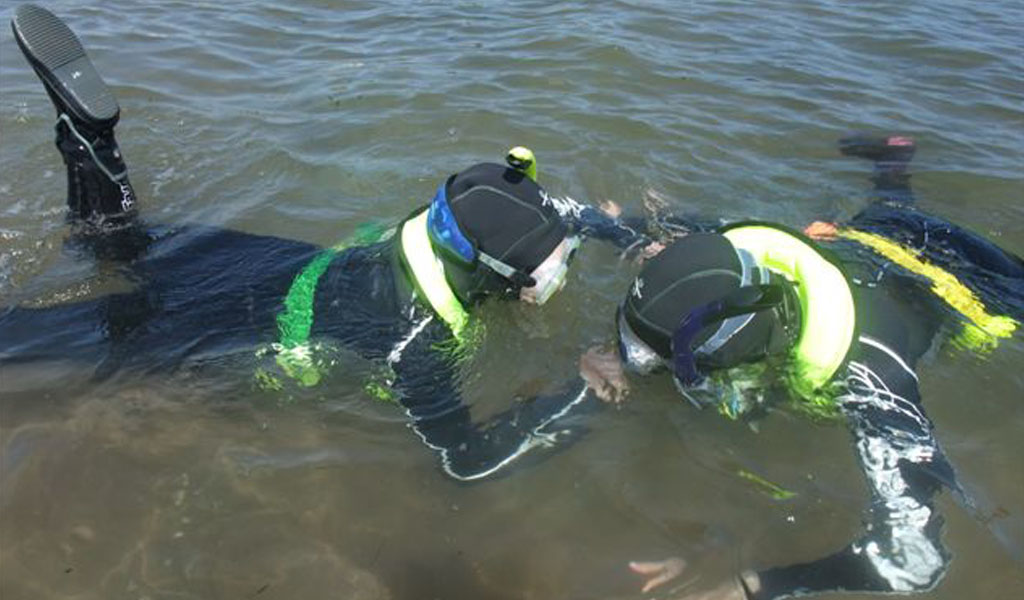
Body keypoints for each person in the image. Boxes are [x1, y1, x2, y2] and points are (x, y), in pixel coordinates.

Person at [1, 4, 651, 482]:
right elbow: (466, 461)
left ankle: (91, 143)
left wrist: (630, 236)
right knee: (41, 338)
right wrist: (578, 388)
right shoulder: (419, 343)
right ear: (499, 274)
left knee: (124, 245)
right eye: (552, 270)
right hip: (217, 324)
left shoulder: (448, 216)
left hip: (271, 264)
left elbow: (547, 210)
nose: (556, 277)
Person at [580, 135, 1023, 598]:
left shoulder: (872, 381)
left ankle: (894, 165)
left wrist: (749, 583)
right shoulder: (740, 257)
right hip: (883, 232)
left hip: (982, 282)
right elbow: (682, 254)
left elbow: (913, 561)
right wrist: (615, 227)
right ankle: (893, 159)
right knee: (890, 206)